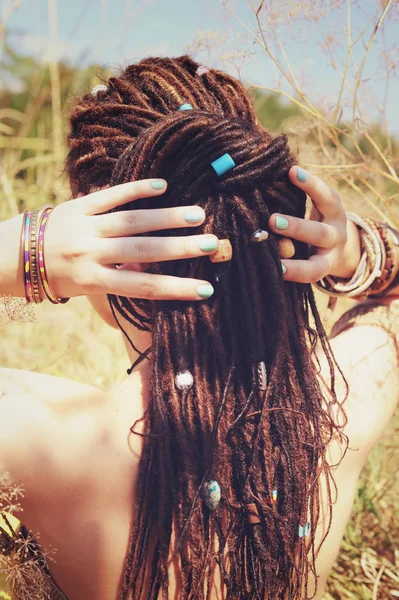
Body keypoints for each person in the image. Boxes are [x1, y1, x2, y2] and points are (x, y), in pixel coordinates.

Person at [0, 55, 398, 600]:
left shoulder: (41, 435)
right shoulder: (344, 408)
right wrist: (354, 251)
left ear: (110, 246)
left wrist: (25, 251)